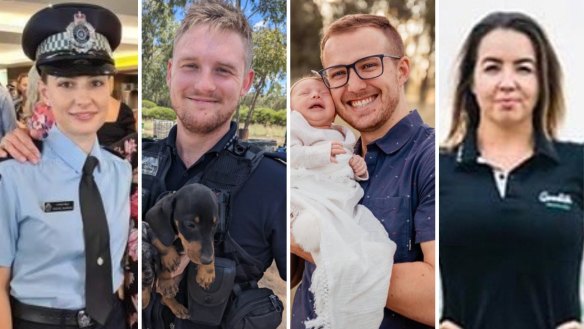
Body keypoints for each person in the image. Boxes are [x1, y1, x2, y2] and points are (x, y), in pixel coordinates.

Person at [141, 1, 286, 329]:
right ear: (169, 72)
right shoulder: (132, 165)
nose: (204, 85)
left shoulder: (276, 183)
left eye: (223, 70)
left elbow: (308, 283)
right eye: (190, 65)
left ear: (246, 82)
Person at [439, 12, 583, 329]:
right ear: (471, 83)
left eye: (524, 68)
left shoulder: (578, 164)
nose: (508, 82)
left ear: (543, 81)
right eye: (492, 67)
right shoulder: (438, 170)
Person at [291, 14, 436, 328]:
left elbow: (438, 296)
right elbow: (291, 273)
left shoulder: (432, 158)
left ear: (402, 70)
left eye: (369, 65)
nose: (354, 85)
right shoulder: (334, 153)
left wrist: (322, 244)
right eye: (339, 73)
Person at [0, 3, 131, 329]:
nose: (83, 99)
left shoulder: (122, 171)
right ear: (45, 91)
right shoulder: (13, 175)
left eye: (95, 82)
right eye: (67, 84)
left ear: (110, 88)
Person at [290, 76, 396, 329]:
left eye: (322, 92)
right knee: (314, 213)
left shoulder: (345, 134)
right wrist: (319, 153)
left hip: (340, 192)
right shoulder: (297, 126)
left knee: (369, 238)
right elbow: (293, 154)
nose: (315, 95)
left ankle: (354, 309)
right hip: (310, 185)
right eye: (305, 93)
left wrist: (357, 166)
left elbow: (348, 163)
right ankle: (312, 226)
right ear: (292, 107)